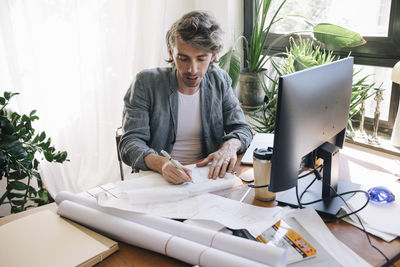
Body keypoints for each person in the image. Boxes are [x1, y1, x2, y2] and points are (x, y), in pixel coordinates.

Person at [119, 11, 252, 184]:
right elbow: (129, 143)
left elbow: (242, 129)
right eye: (183, 58)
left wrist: (230, 147)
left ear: (212, 56)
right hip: (156, 178)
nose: (192, 69)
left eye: (201, 58)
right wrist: (162, 164)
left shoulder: (220, 81)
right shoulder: (146, 83)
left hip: (205, 179)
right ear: (171, 51)